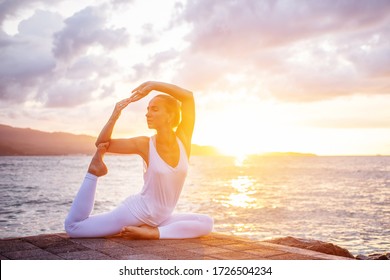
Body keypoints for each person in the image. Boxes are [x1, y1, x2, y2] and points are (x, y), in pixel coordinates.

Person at [64, 81, 214, 239]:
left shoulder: (183, 140)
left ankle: (153, 232)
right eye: (148, 109)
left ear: (170, 116)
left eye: (154, 109)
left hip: (159, 218)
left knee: (206, 222)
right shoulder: (145, 145)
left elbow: (188, 97)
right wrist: (115, 115)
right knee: (74, 227)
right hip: (136, 212)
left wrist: (153, 85)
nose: (148, 114)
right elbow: (102, 143)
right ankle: (94, 171)